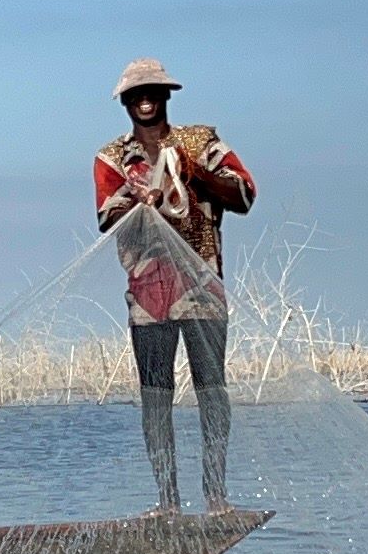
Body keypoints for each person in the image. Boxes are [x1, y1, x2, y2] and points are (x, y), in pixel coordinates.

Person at [92, 58, 255, 512]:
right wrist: (138, 198)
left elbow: (244, 194)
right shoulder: (112, 159)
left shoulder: (201, 142)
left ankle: (216, 496)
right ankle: (168, 502)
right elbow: (105, 217)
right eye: (135, 93)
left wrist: (193, 173)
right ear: (125, 102)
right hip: (149, 293)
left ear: (166, 97)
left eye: (153, 91)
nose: (144, 100)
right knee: (155, 395)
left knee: (211, 390)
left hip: (202, 284)